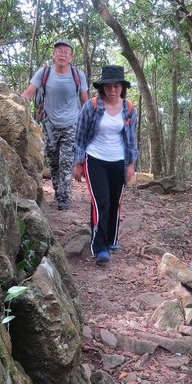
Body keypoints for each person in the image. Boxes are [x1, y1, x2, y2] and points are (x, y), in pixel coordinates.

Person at [73, 65, 139, 264]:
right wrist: (78, 163)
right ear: (102, 87)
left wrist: (131, 164)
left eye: (116, 86)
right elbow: (80, 136)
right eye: (108, 86)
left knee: (114, 202)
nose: (112, 90)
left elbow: (131, 138)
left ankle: (111, 239)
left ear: (122, 87)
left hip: (118, 161)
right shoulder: (92, 107)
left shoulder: (128, 108)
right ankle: (100, 246)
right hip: (95, 159)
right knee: (101, 201)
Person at [21, 40, 89, 210]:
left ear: (71, 57)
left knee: (66, 163)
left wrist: (89, 123)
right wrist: (16, 106)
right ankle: (59, 192)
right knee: (54, 163)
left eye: (66, 52)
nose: (62, 54)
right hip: (49, 125)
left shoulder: (77, 74)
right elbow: (29, 93)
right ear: (54, 54)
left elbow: (85, 100)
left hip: (72, 124)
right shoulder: (44, 72)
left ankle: (64, 199)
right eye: (59, 51)